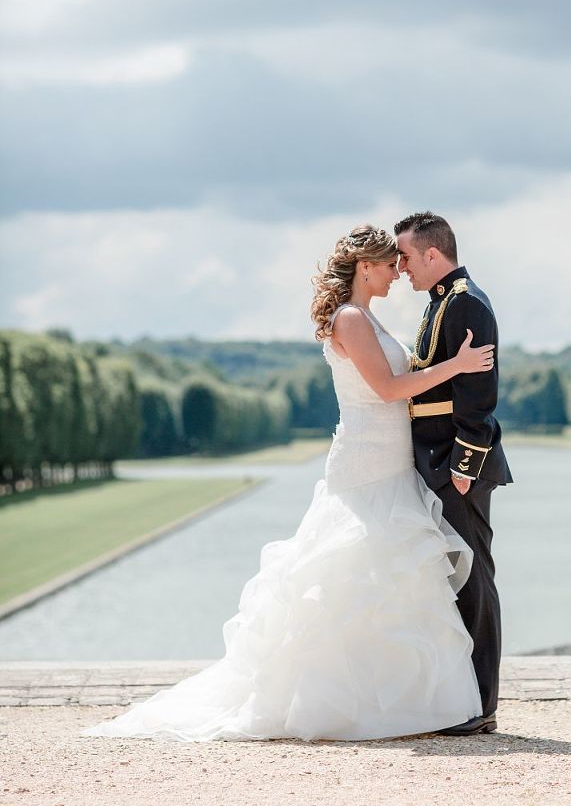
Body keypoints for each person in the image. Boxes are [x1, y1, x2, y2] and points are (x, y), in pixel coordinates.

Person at [82, 224, 494, 743]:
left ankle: (397, 698)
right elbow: (388, 389)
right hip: (368, 463)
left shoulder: (367, 317)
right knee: (353, 575)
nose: (398, 272)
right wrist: (457, 366)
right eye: (390, 264)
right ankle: (342, 699)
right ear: (366, 267)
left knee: (389, 583)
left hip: (391, 460)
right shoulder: (350, 318)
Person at [394, 211, 512, 736]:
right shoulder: (443, 299)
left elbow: (479, 393)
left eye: (405, 257)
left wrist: (465, 463)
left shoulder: (463, 301)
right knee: (453, 578)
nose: (400, 268)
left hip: (456, 462)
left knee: (474, 580)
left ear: (432, 254)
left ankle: (480, 705)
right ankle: (459, 698)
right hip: (437, 457)